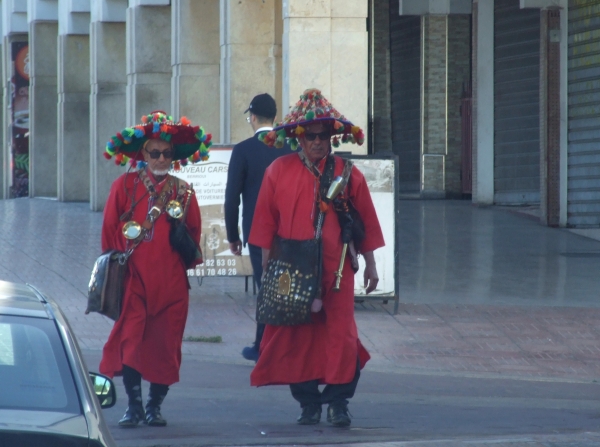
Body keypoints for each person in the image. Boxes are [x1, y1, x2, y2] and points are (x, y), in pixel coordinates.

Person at [249, 88, 385, 427]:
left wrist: (370, 264)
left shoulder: (348, 173)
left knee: (342, 335)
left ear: (332, 137)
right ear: (298, 137)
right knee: (297, 337)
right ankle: (308, 404)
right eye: (311, 136)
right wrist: (267, 266)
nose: (318, 142)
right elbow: (265, 222)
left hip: (337, 270)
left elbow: (364, 221)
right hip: (292, 270)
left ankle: (339, 403)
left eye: (324, 136)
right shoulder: (277, 171)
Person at [99, 111, 212, 428]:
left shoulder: (185, 192)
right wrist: (117, 268)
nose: (161, 157)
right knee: (131, 342)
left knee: (165, 345)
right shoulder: (124, 186)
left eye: (166, 153)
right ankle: (133, 406)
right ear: (143, 155)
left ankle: (154, 407)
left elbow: (194, 237)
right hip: (134, 279)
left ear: (173, 157)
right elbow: (109, 233)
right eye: (155, 152)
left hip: (172, 283)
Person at [224, 93, 292, 362]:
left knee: (265, 285)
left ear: (252, 117)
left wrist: (233, 236)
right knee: (287, 283)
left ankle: (263, 344)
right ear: (274, 118)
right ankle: (284, 342)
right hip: (289, 229)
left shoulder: (243, 150)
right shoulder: (290, 147)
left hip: (256, 231)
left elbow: (232, 198)